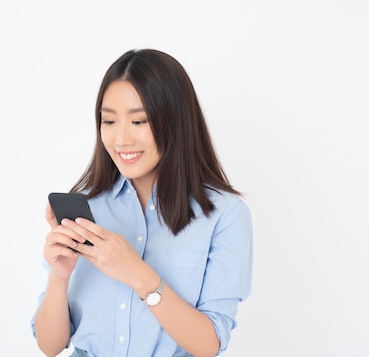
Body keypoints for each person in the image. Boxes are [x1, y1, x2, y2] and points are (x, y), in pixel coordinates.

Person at [31, 49, 253, 357]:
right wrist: (59, 276)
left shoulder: (224, 215)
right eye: (108, 120)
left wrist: (138, 274)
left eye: (139, 121)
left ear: (176, 121)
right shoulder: (89, 206)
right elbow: (49, 345)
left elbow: (209, 344)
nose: (121, 140)